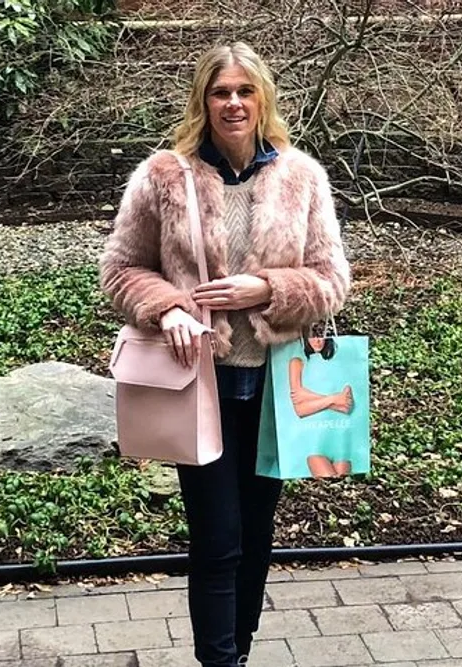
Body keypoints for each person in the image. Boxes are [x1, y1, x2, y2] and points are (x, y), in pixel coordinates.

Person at [98, 42, 351, 667]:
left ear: (262, 97)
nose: (233, 103)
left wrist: (269, 287)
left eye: (244, 91)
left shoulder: (301, 177)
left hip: (274, 384)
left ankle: (237, 652)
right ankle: (220, 661)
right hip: (198, 384)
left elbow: (331, 280)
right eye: (220, 92)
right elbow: (120, 269)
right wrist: (171, 307)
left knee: (258, 535)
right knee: (218, 539)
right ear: (203, 101)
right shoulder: (163, 176)